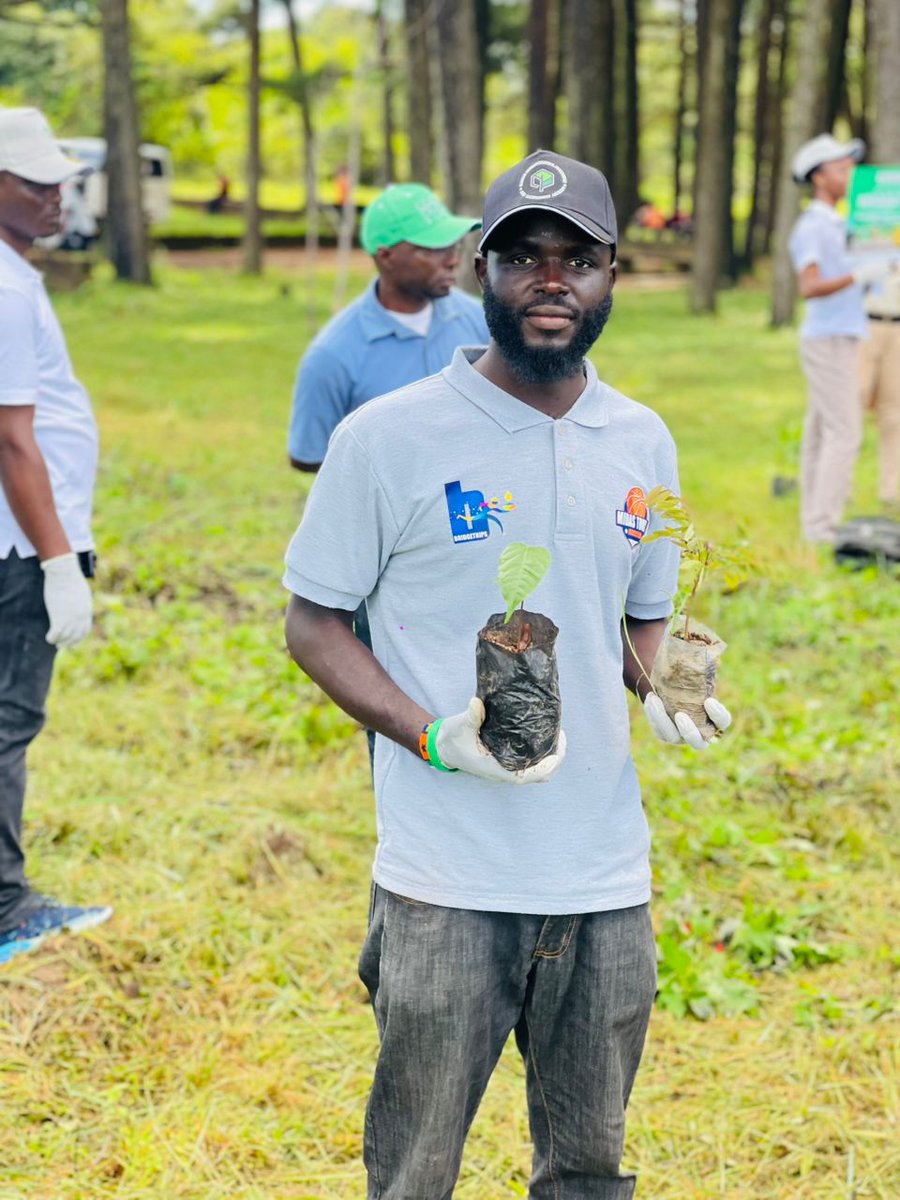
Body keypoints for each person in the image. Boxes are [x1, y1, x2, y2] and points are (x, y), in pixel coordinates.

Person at [282, 149, 731, 1198]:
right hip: (446, 883)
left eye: (577, 259)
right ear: (480, 267)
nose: (551, 279)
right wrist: (436, 735)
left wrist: (675, 688)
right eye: (524, 256)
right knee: (415, 1173)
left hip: (604, 879)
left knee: (589, 1169)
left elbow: (638, 622)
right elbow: (313, 625)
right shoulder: (387, 439)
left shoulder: (642, 439)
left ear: (613, 276)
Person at [0, 107, 111, 965]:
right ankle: (7, 904)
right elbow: (11, 436)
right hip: (18, 546)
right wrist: (57, 563)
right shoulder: (4, 287)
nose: (54, 196)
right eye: (34, 182)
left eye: (58, 180)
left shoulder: (17, 275)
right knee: (9, 717)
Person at [287, 182, 489, 473]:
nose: (453, 260)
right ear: (385, 257)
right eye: (433, 248)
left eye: (453, 245)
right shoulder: (331, 356)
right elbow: (308, 457)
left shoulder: (482, 321)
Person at [788, 133, 887, 543]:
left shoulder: (839, 223)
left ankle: (814, 522)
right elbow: (809, 286)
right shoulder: (812, 227)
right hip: (828, 339)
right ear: (819, 176)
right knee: (845, 432)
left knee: (821, 432)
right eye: (841, 168)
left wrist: (874, 271)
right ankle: (824, 526)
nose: (849, 174)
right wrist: (858, 275)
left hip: (840, 334)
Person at [860, 262, 900, 511]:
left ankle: (889, 490)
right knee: (854, 403)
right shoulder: (866, 226)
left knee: (894, 413)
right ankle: (840, 488)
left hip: (897, 326)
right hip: (864, 323)